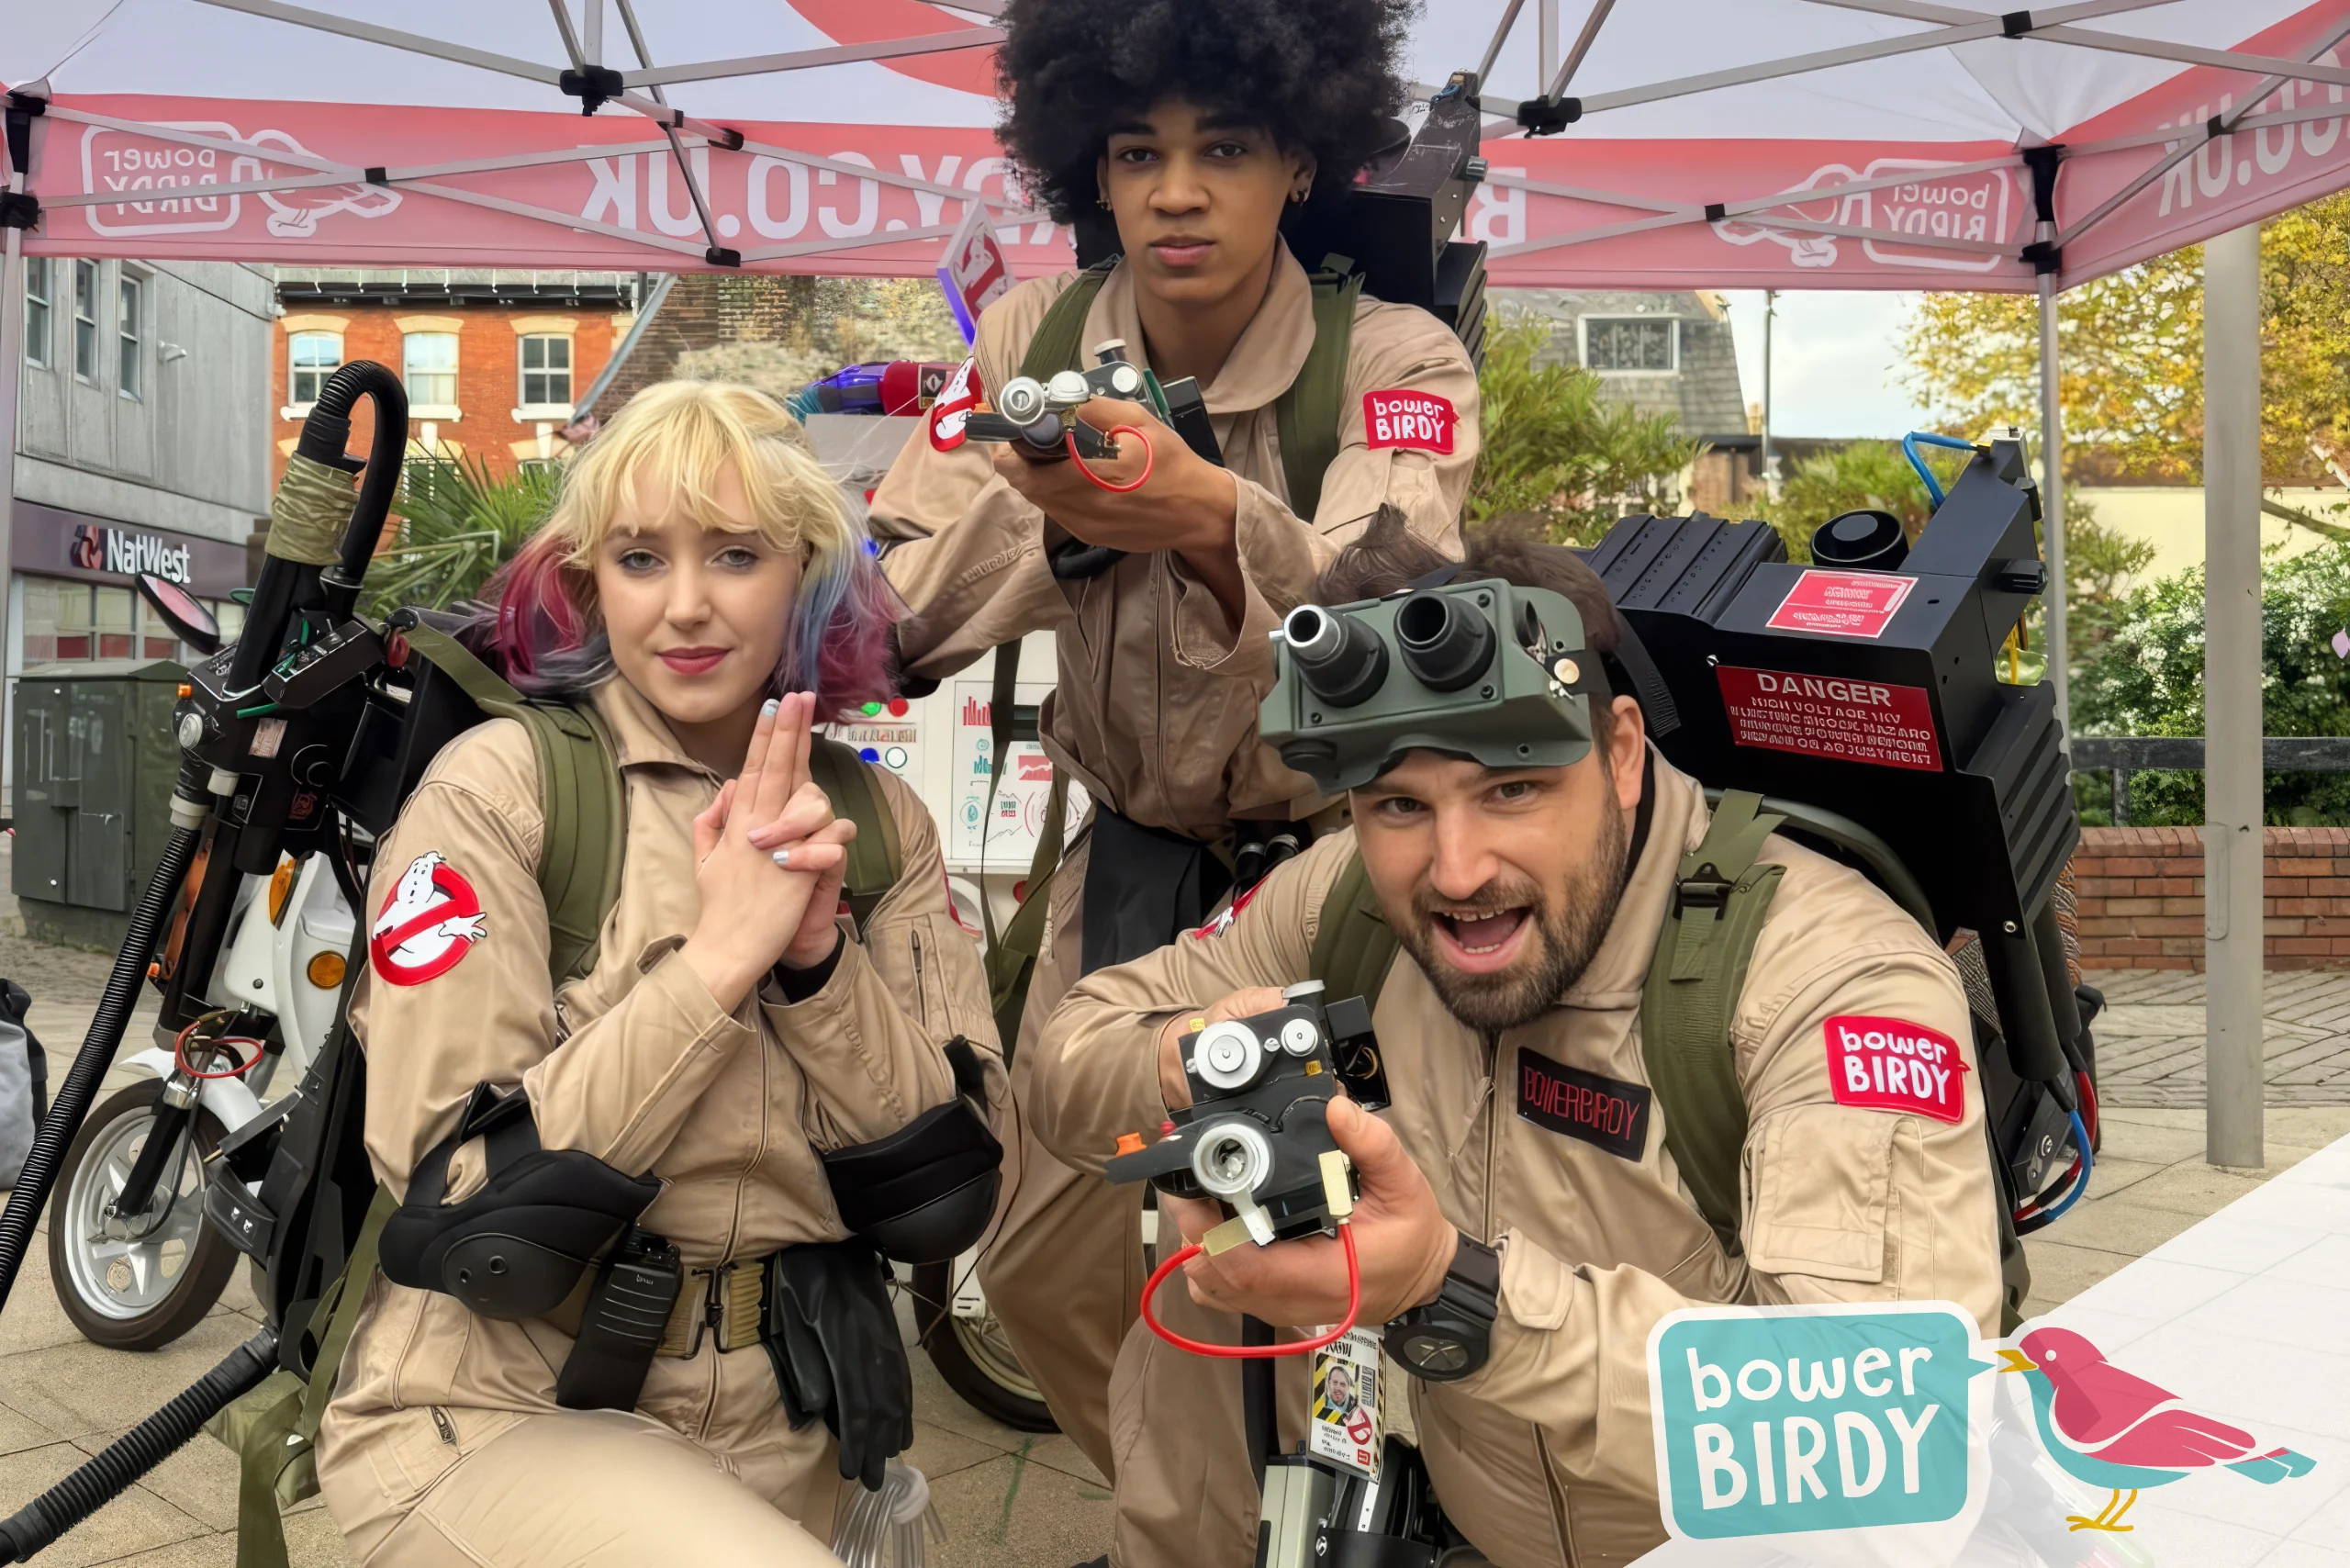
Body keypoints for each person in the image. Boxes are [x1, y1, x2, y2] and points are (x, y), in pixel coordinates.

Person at [1032, 514, 2008, 1567]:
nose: (1456, 871)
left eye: (1511, 788)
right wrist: (1192, 1062)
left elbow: (1894, 1436)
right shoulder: (1343, 903)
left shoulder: (1829, 975)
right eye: (1398, 804)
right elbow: (1070, 1052)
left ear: (1620, 753)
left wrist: (1451, 1292)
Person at [866, 0, 1477, 1505]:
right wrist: (1052, 517)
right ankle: (1181, 1516)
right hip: (1128, 870)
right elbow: (890, 610)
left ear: (1300, 163)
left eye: (1227, 149)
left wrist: (1210, 517)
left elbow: (1388, 621)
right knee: (1039, 1266)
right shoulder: (1032, 337)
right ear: (1093, 166)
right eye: (1139, 153)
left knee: (1285, 1273)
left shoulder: (1394, 357)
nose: (1178, 192)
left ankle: (1296, 1518)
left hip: (1330, 877)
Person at [315, 382, 1001, 1567]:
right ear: (590, 585)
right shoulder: (502, 793)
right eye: (640, 558)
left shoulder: (881, 823)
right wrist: (719, 962)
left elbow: (944, 1189)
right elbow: (471, 1212)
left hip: (792, 1427)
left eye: (735, 554)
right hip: (500, 1411)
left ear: (805, 575)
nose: (686, 605)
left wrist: (817, 964)